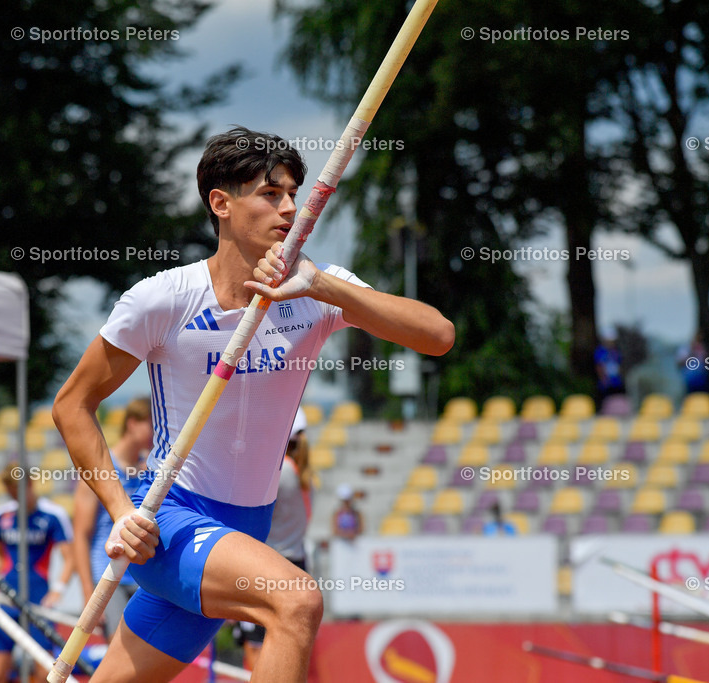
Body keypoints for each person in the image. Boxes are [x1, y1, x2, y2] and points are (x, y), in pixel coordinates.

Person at [52, 125, 454, 683]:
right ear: (221, 203)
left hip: (244, 529)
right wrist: (120, 511)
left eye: (293, 193)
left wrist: (322, 287)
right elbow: (72, 404)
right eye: (271, 194)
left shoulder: (316, 289)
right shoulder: (163, 299)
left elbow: (437, 336)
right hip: (172, 519)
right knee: (296, 601)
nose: (290, 208)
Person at [234, 408, 314, 670]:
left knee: (257, 648)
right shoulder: (300, 473)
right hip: (296, 561)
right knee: (282, 647)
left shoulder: (280, 473)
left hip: (270, 565)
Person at [0, 464, 74, 683]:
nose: (15, 497)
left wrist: (57, 590)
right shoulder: (1, 515)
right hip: (7, 597)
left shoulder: (53, 515)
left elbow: (70, 558)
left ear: (30, 484)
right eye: (10, 493)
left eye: (18, 491)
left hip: (38, 598)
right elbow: (0, 559)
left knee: (44, 674)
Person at [72, 397, 153, 641]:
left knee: (146, 655)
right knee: (120, 653)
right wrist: (89, 593)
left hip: (144, 577)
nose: (157, 432)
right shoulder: (103, 470)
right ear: (132, 423)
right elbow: (81, 535)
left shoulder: (149, 472)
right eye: (153, 424)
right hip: (108, 575)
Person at [593, 328, 625, 409]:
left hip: (616, 382)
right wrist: (604, 379)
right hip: (606, 383)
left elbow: (620, 365)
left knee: (617, 402)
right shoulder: (600, 351)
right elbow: (599, 367)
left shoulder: (616, 351)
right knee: (605, 404)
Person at [677, 330, 709, 395]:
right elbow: (679, 363)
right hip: (689, 379)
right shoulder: (685, 348)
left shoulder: (703, 349)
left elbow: (707, 364)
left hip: (701, 379)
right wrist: (691, 352)